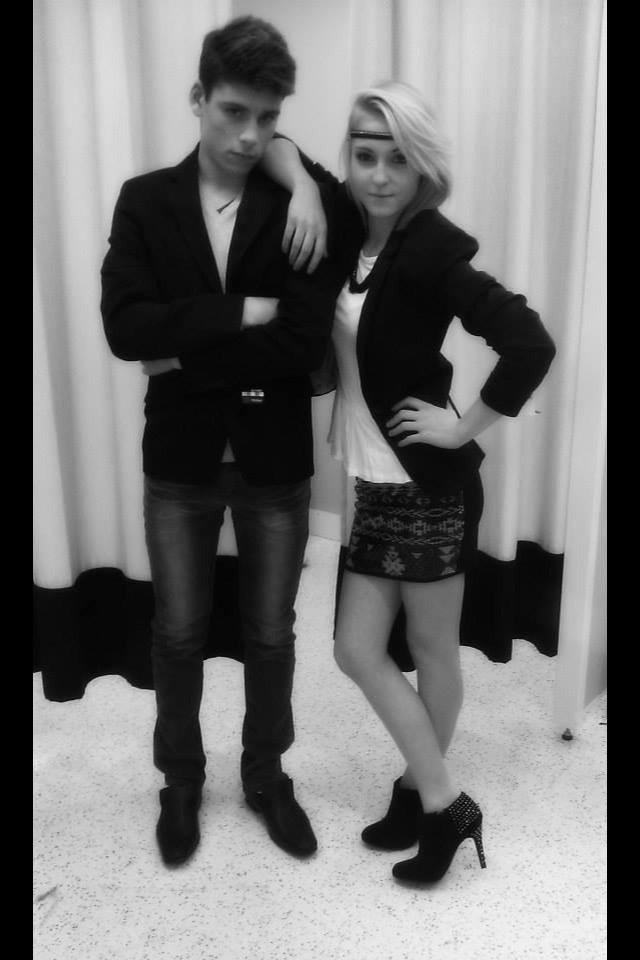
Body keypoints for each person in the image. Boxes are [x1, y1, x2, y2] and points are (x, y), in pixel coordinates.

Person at [262, 80, 556, 884]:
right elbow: (282, 149)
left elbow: (529, 342)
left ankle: (435, 801)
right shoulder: (348, 227)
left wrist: (464, 426)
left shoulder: (429, 247)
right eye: (365, 155)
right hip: (373, 483)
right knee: (356, 650)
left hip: (429, 489)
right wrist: (307, 194)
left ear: (422, 166)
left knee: (429, 650)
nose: (380, 175)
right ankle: (430, 794)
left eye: (398, 158)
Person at [100, 16, 338, 868]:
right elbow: (126, 329)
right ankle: (181, 779)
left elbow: (302, 344)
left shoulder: (296, 207)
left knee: (271, 632)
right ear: (198, 97)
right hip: (181, 460)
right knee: (177, 632)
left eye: (269, 119)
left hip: (273, 458)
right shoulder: (145, 200)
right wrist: (241, 312)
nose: (249, 135)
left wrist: (303, 179)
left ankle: (266, 775)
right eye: (234, 111)